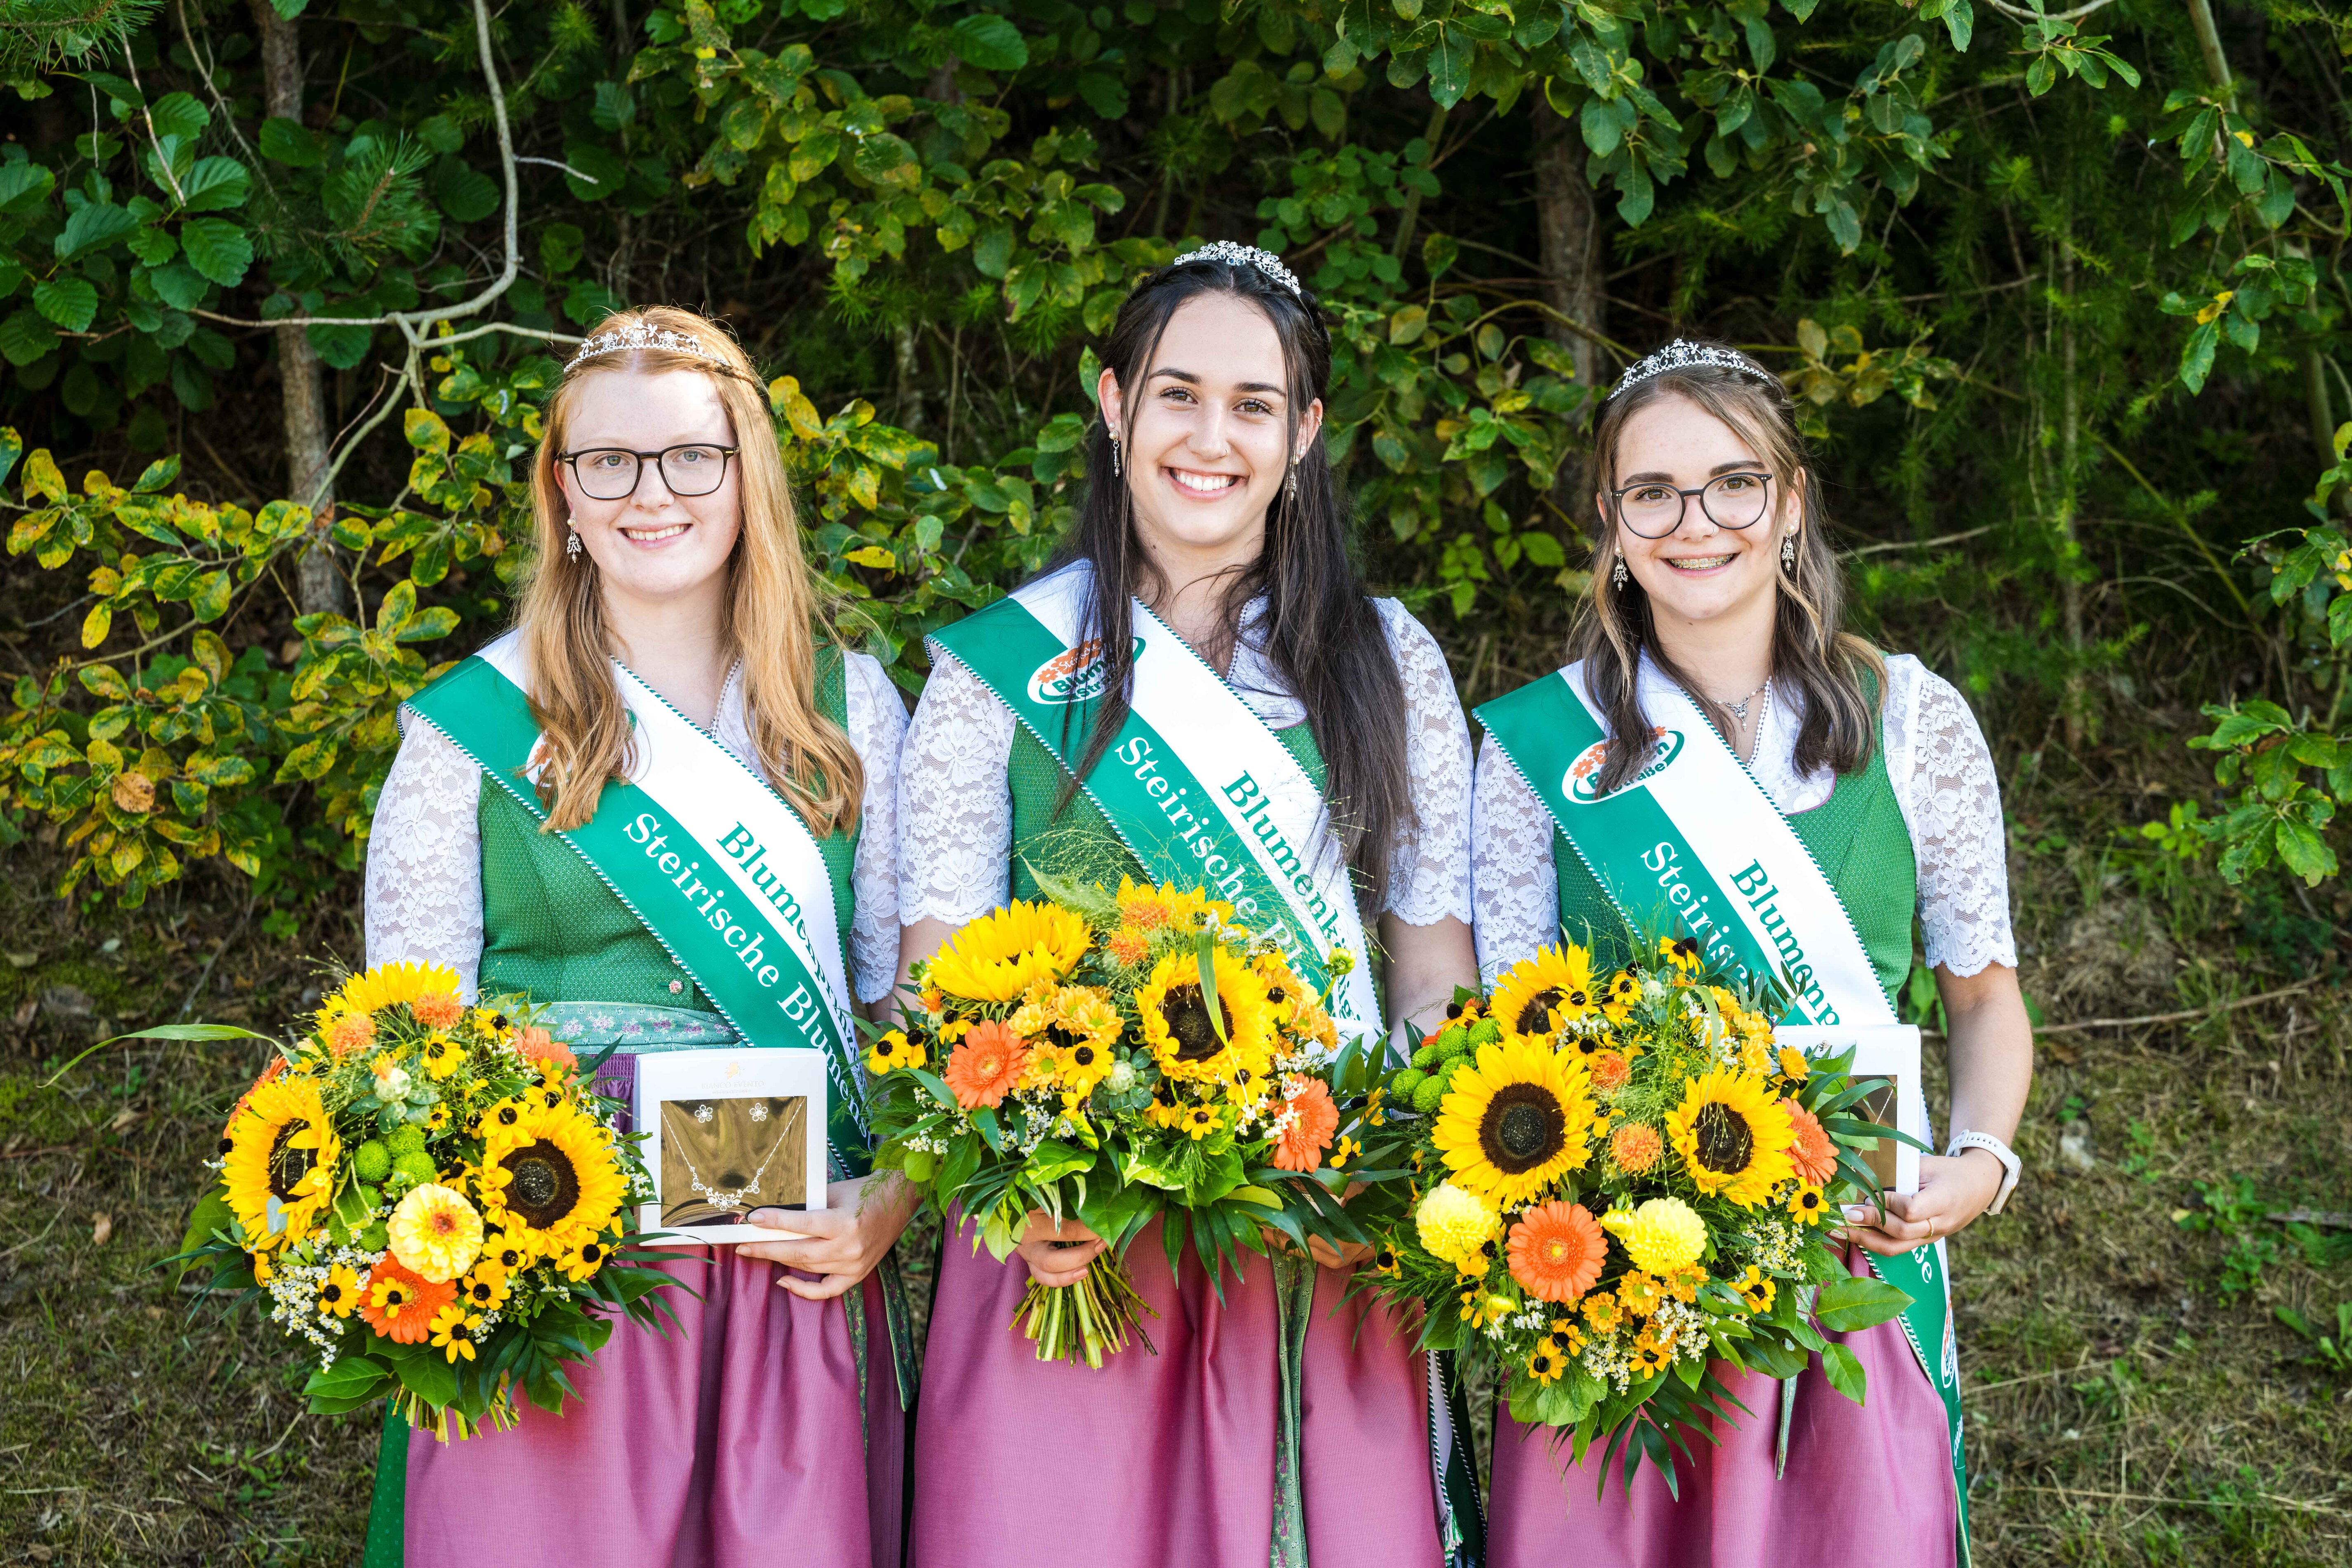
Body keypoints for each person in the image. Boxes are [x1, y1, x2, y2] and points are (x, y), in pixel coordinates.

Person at [897, 243, 1485, 1568]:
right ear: (1114, 404)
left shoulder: (1387, 657)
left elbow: (1428, 967)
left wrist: (1399, 1177)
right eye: (1176, 394)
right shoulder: (998, 669)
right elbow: (935, 981)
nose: (1210, 438)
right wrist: (1010, 1187)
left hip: (1316, 1224)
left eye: (1252, 405)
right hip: (1070, 1242)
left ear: (1304, 432)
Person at [358, 307, 916, 1568]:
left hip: (785, 1260)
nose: (650, 493)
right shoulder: (470, 730)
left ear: (746, 475)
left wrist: (891, 1198)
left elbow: (913, 1015)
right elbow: (403, 1045)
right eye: (608, 461)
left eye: (689, 457)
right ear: (563, 490)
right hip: (551, 1255)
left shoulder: (851, 709)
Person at [1470, 339, 2033, 1568]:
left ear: (1788, 503)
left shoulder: (1914, 720)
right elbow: (1503, 1032)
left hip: (1851, 1262)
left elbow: (1985, 997)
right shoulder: (1534, 750)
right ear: (1612, 523)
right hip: (1616, 1279)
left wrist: (1981, 1164)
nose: (1696, 523)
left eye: (1733, 484)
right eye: (1653, 493)